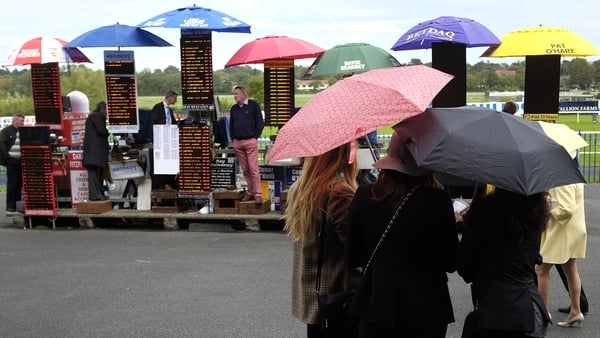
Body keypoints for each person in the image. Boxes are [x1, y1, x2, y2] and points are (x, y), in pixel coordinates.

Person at [345, 131, 459, 338]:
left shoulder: (364, 196)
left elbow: (352, 256)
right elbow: (451, 262)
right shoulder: (438, 201)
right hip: (427, 310)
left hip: (376, 305)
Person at [285, 143, 359, 338]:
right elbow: (356, 249)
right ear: (342, 153)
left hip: (313, 294)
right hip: (338, 294)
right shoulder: (339, 192)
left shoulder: (299, 188)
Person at [458, 187, 551, 338]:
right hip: (531, 309)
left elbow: (466, 269)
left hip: (494, 311)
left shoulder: (484, 209)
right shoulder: (536, 211)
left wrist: (471, 225)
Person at [535, 182, 587, 327]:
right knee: (570, 269)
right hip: (574, 227)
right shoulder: (570, 171)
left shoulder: (559, 179)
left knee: (541, 270)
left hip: (562, 230)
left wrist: (545, 206)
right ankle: (576, 310)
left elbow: (566, 209)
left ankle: (544, 313)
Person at [230, 85, 264, 203]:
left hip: (250, 140)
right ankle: (250, 192)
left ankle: (258, 193)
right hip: (238, 141)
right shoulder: (234, 108)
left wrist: (255, 137)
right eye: (234, 94)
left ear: (244, 94)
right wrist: (233, 139)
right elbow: (232, 124)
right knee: (245, 170)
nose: (235, 96)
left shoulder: (253, 105)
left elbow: (260, 122)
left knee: (253, 168)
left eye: (237, 94)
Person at [150, 90, 178, 190]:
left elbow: (173, 123)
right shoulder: (157, 108)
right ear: (169, 97)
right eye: (175, 98)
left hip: (169, 139)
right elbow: (153, 122)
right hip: (160, 139)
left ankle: (168, 183)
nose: (176, 100)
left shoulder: (170, 110)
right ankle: (162, 185)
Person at [83, 102, 110, 201]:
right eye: (106, 110)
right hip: (95, 154)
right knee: (94, 175)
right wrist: (110, 130)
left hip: (93, 154)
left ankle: (97, 194)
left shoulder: (92, 117)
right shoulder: (97, 117)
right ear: (102, 109)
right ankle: (95, 195)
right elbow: (102, 131)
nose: (107, 113)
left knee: (95, 175)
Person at [0, 113, 25, 214]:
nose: (23, 123)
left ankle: (17, 205)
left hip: (21, 161)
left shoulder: (23, 131)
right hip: (11, 160)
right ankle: (10, 206)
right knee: (12, 184)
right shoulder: (6, 131)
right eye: (21, 121)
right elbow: (1, 143)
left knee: (19, 184)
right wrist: (7, 157)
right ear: (15, 121)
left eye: (23, 121)